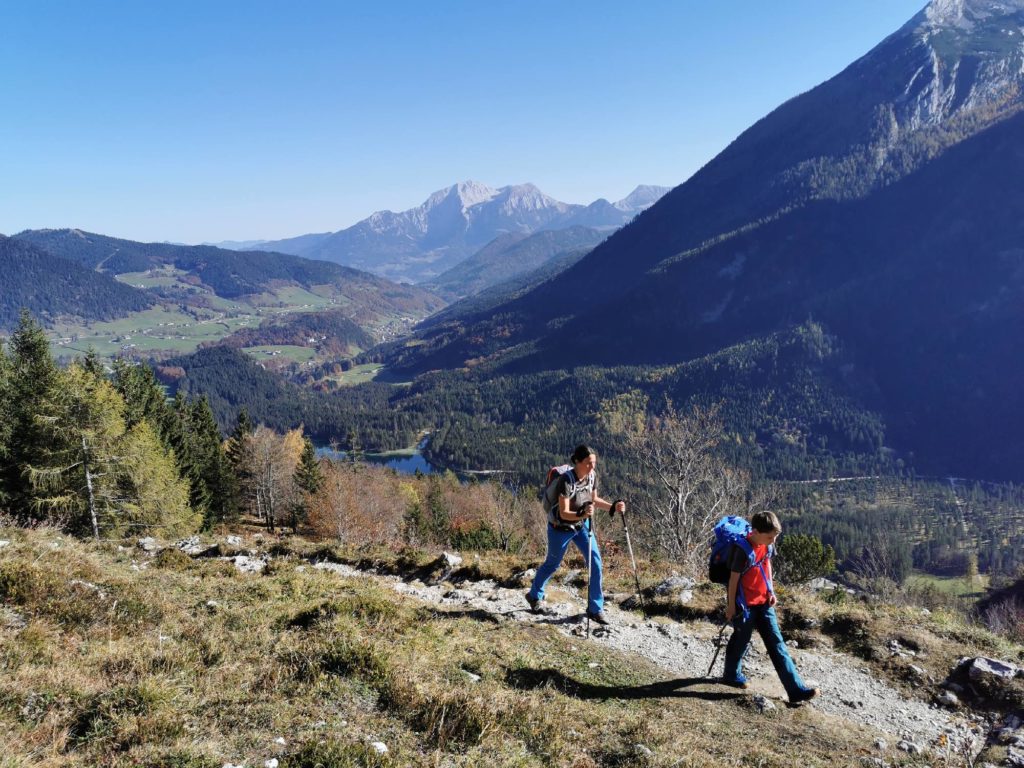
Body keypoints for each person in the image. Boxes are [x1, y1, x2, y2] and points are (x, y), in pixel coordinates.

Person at [722, 510, 818, 705]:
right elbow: (733, 581)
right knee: (741, 639)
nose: (773, 541)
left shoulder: (766, 546)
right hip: (744, 605)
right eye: (770, 537)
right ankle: (731, 675)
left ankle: (796, 690)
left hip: (764, 603)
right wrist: (731, 606)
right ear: (755, 532)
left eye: (775, 536)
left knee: (777, 645)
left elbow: (767, 565)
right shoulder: (742, 549)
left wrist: (771, 590)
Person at [526, 444, 625, 625]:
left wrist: (612, 506)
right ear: (577, 462)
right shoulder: (566, 480)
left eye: (593, 462)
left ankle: (595, 608)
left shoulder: (591, 476)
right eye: (588, 463)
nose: (592, 466)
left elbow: (593, 499)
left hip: (581, 526)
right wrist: (582, 514)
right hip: (560, 528)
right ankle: (534, 595)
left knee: (595, 562)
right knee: (553, 564)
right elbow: (563, 513)